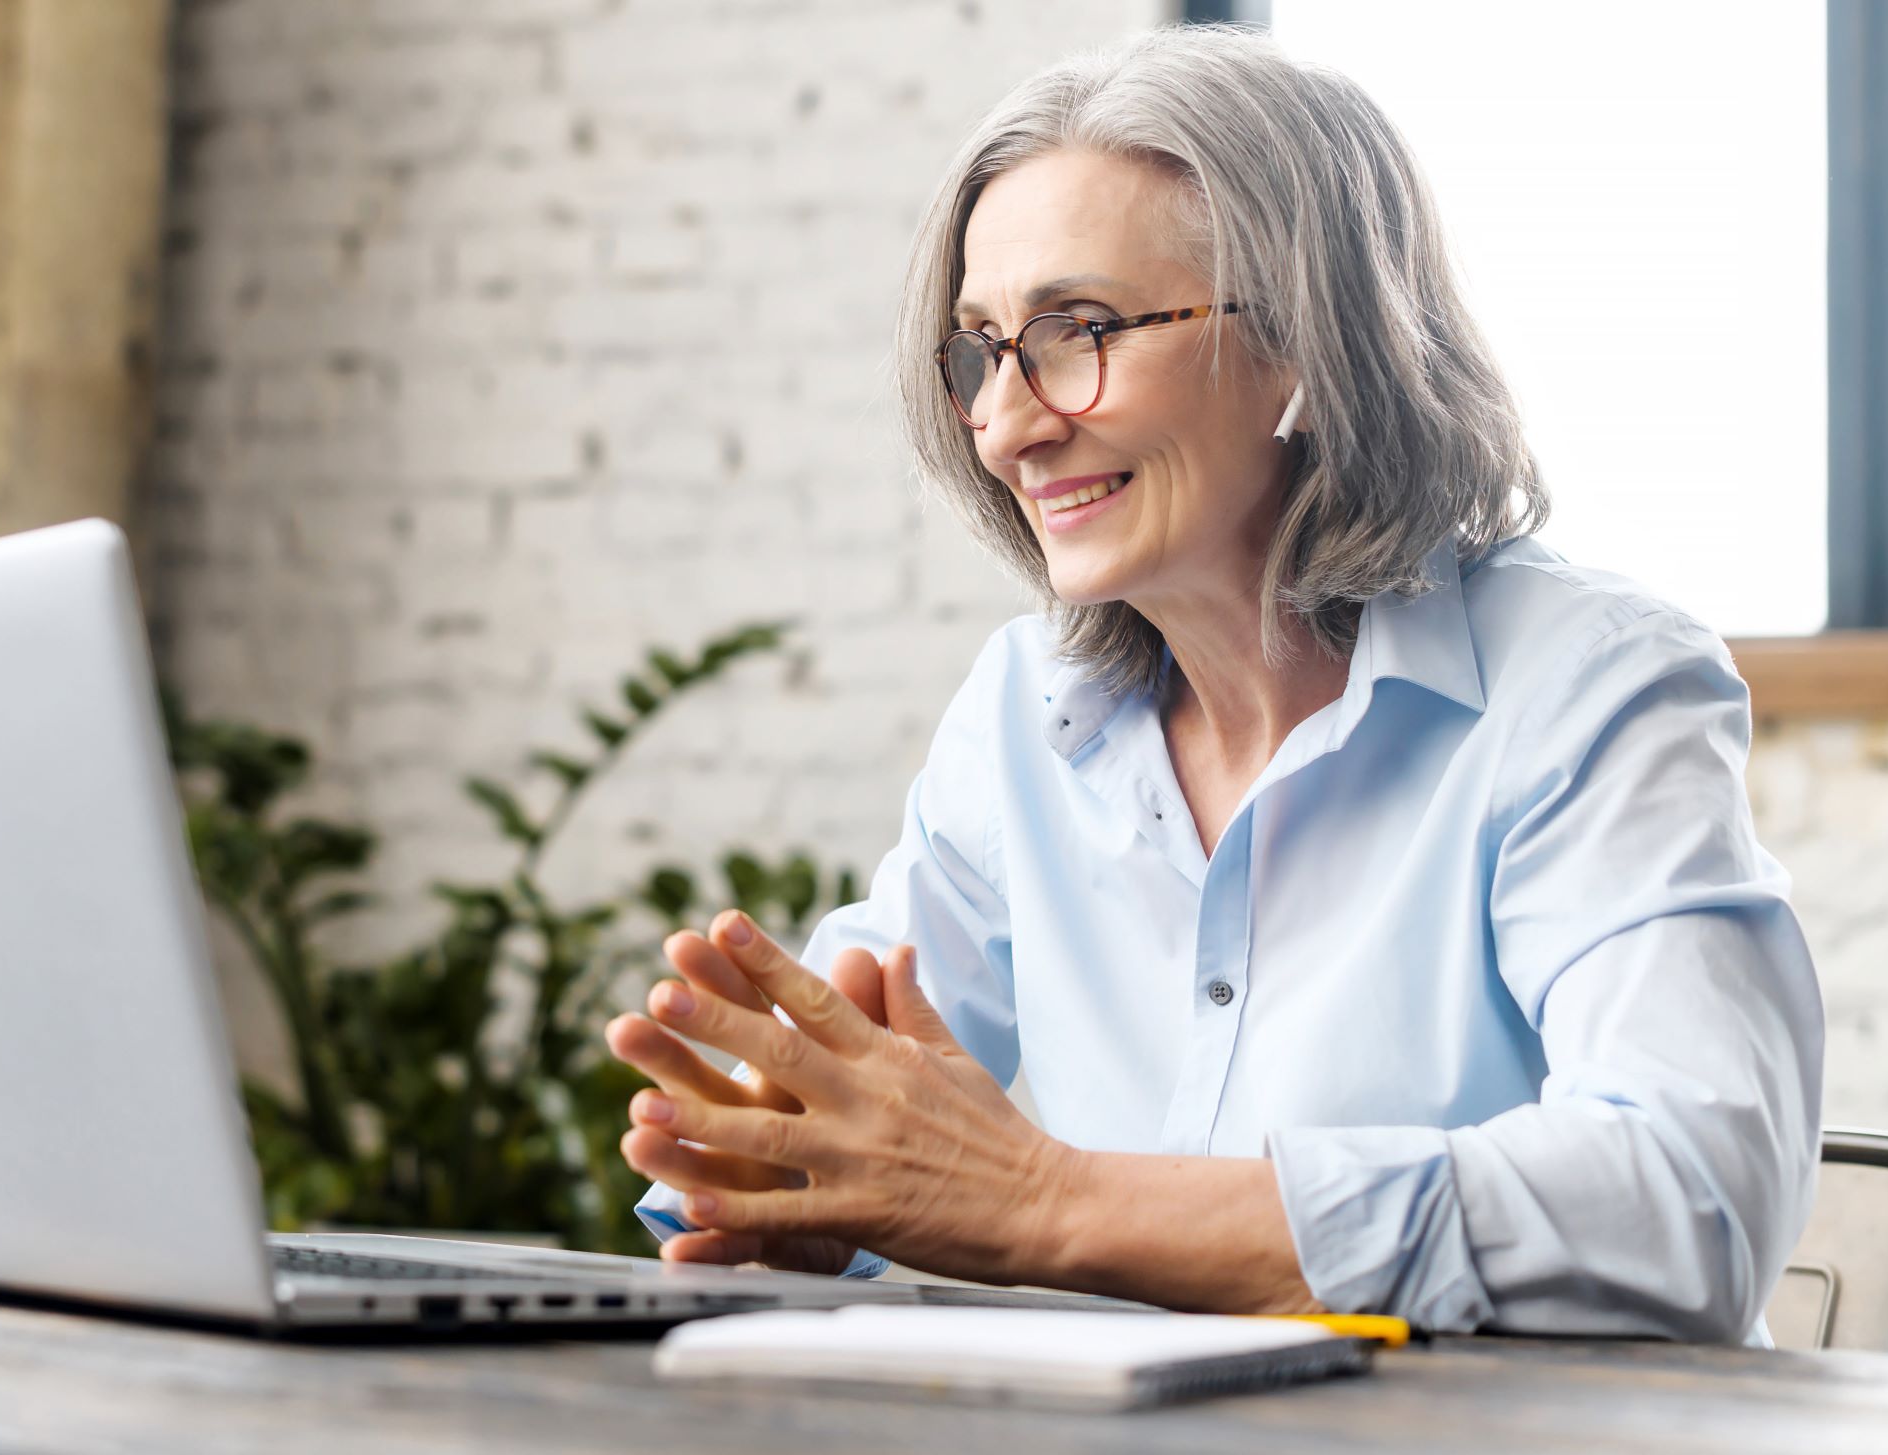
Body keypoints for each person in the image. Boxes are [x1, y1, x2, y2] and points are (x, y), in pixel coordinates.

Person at [603, 24, 1822, 1342]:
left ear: (1303, 340)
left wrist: (1048, 1205)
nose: (1008, 422)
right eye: (978, 351)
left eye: (1079, 330)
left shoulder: (1587, 685)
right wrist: (777, 1182)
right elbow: (804, 1176)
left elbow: (1688, 1206)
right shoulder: (1021, 716)